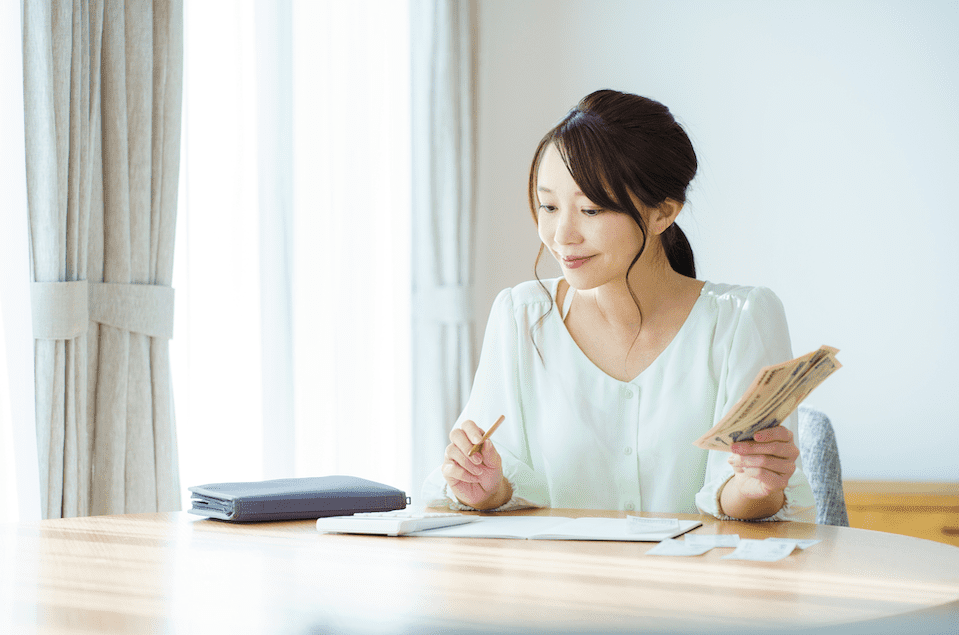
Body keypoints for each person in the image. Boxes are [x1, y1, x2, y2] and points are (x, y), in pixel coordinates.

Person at [422, 89, 814, 520]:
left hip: (694, 585)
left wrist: (756, 484)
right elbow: (492, 479)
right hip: (557, 586)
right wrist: (485, 486)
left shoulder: (741, 321)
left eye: (590, 210)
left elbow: (744, 499)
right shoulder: (521, 316)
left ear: (662, 213)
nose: (561, 234)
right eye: (549, 206)